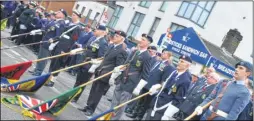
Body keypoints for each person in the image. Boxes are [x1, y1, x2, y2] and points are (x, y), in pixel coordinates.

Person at [78, 30, 128, 116]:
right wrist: (96, 65)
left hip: (106, 74)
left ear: (122, 39)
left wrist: (113, 77)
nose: (114, 37)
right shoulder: (111, 45)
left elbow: (118, 66)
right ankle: (88, 105)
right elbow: (104, 58)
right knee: (93, 89)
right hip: (100, 71)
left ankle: (91, 109)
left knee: (98, 92)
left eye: (117, 36)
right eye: (114, 35)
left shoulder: (122, 51)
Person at [108, 34, 153, 120]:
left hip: (130, 84)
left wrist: (138, 88)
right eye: (141, 39)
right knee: (114, 101)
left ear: (148, 43)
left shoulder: (147, 57)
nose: (140, 40)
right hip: (122, 79)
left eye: (143, 40)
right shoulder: (135, 51)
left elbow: (145, 74)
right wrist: (115, 74)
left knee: (121, 105)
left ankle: (114, 119)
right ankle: (109, 116)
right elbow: (126, 64)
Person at [127, 49, 175, 120]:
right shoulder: (159, 62)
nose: (162, 54)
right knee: (140, 100)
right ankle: (134, 113)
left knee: (145, 103)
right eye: (163, 52)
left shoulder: (169, 66)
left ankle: (139, 117)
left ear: (169, 56)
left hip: (153, 86)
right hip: (147, 83)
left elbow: (163, 79)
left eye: (164, 53)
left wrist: (157, 88)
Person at [145, 55, 192, 120]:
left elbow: (178, 98)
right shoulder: (174, 73)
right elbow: (165, 86)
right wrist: (158, 87)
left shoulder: (186, 80)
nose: (179, 63)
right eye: (179, 61)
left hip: (164, 107)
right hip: (157, 101)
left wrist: (168, 113)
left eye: (182, 62)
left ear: (187, 66)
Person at [70, 25, 108, 101]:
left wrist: (94, 64)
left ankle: (75, 97)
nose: (95, 31)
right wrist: (76, 51)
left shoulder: (103, 43)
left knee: (82, 83)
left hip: (89, 65)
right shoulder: (92, 38)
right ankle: (71, 95)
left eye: (97, 30)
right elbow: (85, 48)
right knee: (77, 81)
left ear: (102, 32)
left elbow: (101, 57)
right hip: (83, 62)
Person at [45, 10, 83, 87]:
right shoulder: (69, 24)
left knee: (57, 65)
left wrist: (66, 51)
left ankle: (52, 81)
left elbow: (73, 41)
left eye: (74, 15)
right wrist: (54, 39)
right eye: (72, 15)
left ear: (78, 17)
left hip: (64, 49)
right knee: (53, 63)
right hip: (59, 46)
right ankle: (47, 78)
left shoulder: (78, 27)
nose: (72, 16)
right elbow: (62, 35)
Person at [28, 9, 68, 76]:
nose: (57, 12)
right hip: (44, 41)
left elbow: (58, 36)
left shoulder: (61, 24)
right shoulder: (54, 21)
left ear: (63, 15)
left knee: (43, 59)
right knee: (40, 57)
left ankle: (39, 71)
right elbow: (45, 29)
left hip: (49, 43)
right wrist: (36, 31)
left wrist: (53, 43)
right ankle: (37, 69)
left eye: (59, 12)